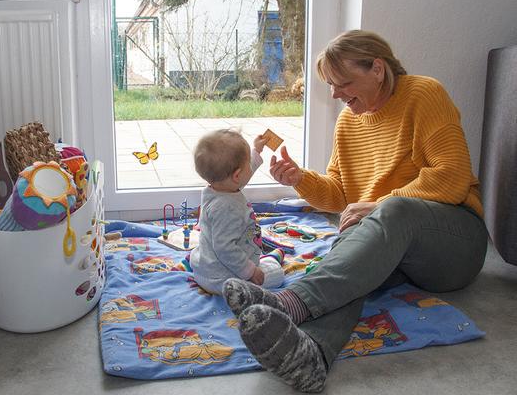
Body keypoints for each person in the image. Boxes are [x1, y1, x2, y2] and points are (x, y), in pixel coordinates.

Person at [221, 30, 489, 393]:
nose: (335, 94)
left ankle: (288, 303)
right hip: (395, 242)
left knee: (394, 210)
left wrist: (379, 204)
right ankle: (312, 355)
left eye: (343, 83)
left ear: (377, 69)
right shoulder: (349, 121)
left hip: (455, 245)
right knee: (349, 264)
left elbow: (453, 177)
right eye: (330, 85)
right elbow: (340, 195)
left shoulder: (425, 94)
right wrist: (300, 178)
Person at [190, 129, 285, 295]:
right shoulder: (227, 208)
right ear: (237, 175)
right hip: (224, 280)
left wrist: (256, 151)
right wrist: (251, 272)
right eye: (248, 163)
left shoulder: (217, 189)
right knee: (276, 274)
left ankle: (260, 263)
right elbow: (225, 248)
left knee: (263, 264)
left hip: (205, 269)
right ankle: (267, 263)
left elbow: (241, 178)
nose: (250, 166)